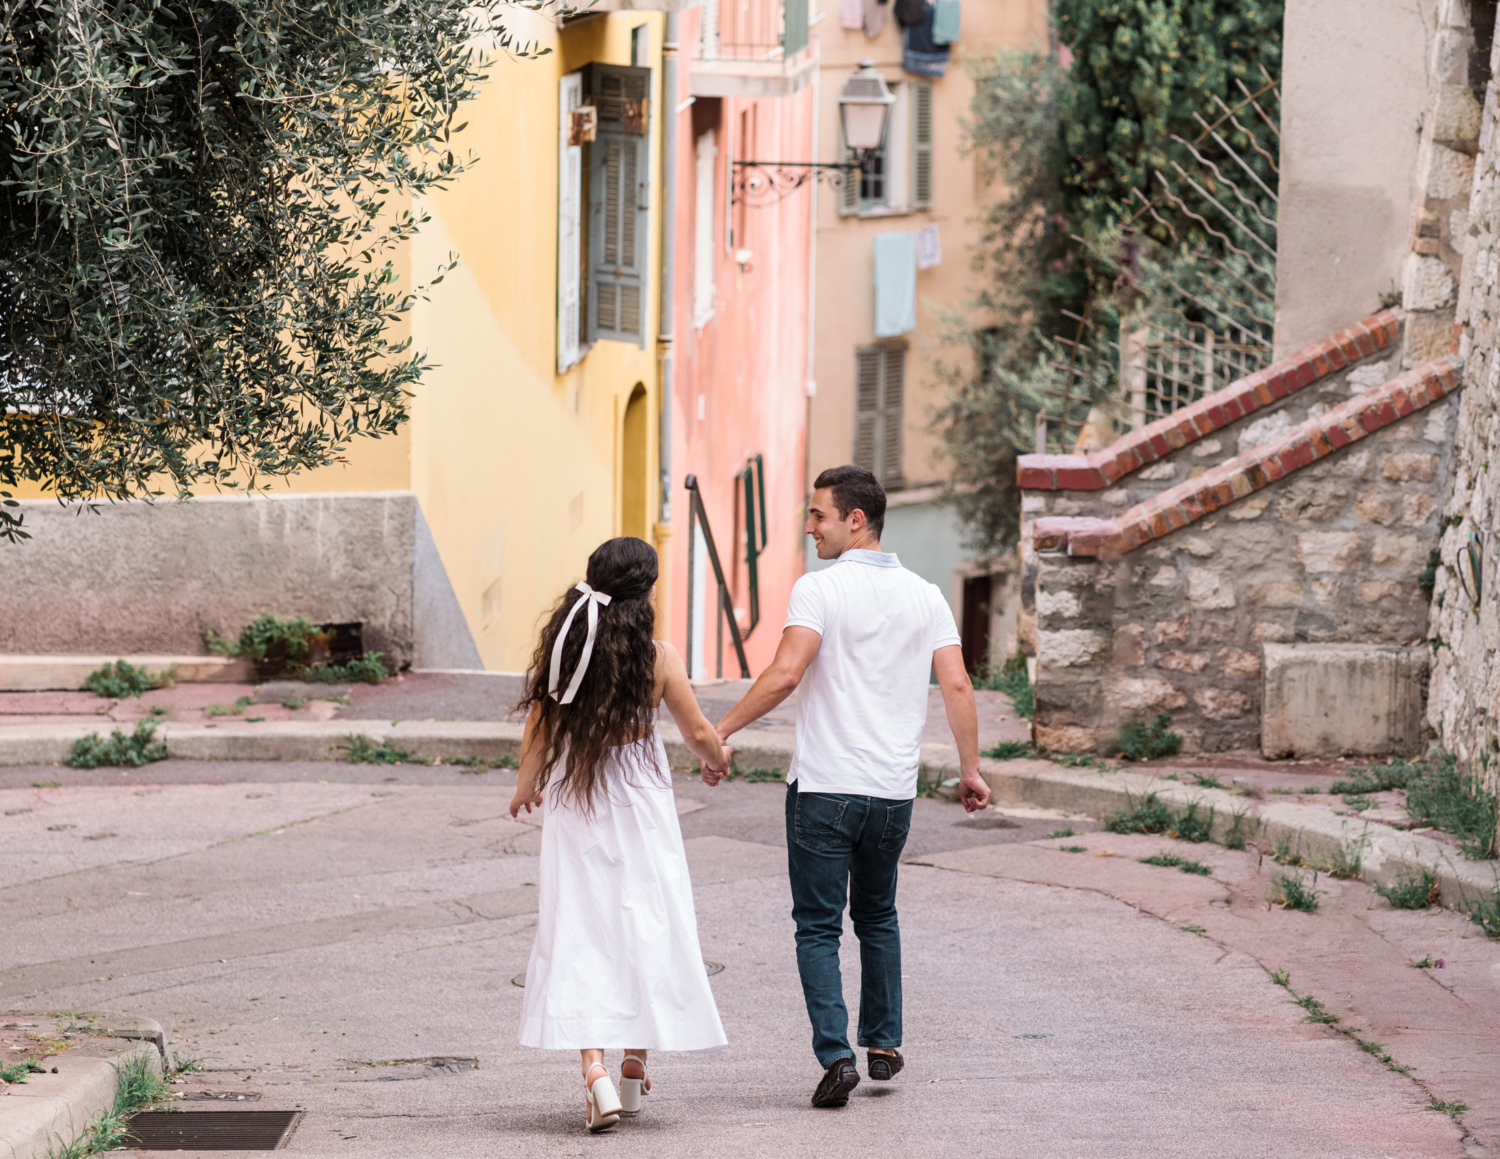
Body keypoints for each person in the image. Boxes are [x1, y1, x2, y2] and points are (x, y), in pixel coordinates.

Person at [708, 464, 990, 1108]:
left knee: (817, 926)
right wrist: (970, 770)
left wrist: (719, 732)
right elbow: (957, 685)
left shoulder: (819, 590)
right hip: (892, 794)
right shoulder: (926, 595)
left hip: (825, 789)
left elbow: (784, 674)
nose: (809, 528)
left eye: (818, 516)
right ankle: (884, 1042)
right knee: (879, 915)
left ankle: (836, 1055)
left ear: (854, 520)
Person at [510, 537, 733, 1133]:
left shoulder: (567, 653)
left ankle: (597, 1073)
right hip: (640, 801)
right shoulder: (658, 657)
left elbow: (540, 722)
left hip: (575, 797)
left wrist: (525, 785)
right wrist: (719, 756)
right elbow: (698, 729)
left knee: (582, 923)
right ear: (647, 593)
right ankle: (635, 1062)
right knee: (648, 920)